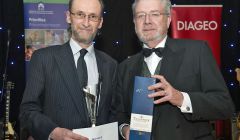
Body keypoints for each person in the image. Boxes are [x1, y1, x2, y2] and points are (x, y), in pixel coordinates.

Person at [116, 0, 235, 140]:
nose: (147, 21)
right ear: (134, 22)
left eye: (155, 14)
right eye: (141, 15)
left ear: (168, 19)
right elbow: (120, 113)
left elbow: (224, 105)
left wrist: (181, 98)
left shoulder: (197, 51)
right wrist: (124, 129)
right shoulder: (125, 66)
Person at [19, 0, 118, 139]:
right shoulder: (43, 58)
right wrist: (53, 132)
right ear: (68, 17)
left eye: (93, 16)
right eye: (80, 14)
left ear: (100, 22)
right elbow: (27, 110)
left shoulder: (111, 65)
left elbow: (114, 113)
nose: (86, 22)